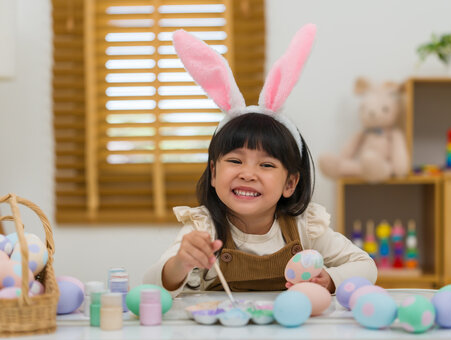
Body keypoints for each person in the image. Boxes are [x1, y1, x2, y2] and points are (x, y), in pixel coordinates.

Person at [143, 24, 377, 298]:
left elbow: (366, 266)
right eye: (235, 161)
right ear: (214, 172)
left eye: (266, 165)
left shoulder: (305, 227)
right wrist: (180, 263)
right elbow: (151, 288)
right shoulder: (204, 228)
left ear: (290, 183)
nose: (248, 174)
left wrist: (330, 279)